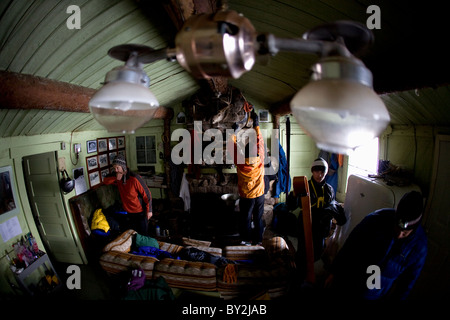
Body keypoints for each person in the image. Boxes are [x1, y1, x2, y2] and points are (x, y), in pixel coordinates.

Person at [326, 191, 428, 300]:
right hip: (351, 279)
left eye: (405, 233)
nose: (399, 235)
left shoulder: (419, 246)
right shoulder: (376, 219)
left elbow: (407, 282)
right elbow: (351, 245)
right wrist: (334, 272)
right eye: (397, 228)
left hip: (375, 293)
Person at [300, 158, 347, 261]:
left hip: (322, 226)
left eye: (322, 172)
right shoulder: (305, 186)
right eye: (317, 171)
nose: (319, 175)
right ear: (312, 171)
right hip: (307, 224)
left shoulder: (329, 189)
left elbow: (332, 205)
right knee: (303, 252)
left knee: (317, 252)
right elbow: (294, 205)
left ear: (326, 173)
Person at [231, 109, 265, 245]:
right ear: (256, 151)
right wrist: (256, 124)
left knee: (245, 218)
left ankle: (246, 240)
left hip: (246, 196)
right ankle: (259, 240)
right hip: (260, 194)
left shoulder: (240, 161)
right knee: (258, 217)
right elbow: (260, 141)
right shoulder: (260, 157)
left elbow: (231, 145)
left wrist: (234, 131)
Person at [103, 154, 153, 235]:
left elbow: (147, 194)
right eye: (114, 168)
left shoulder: (135, 178)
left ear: (123, 167)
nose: (116, 170)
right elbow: (105, 181)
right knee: (132, 236)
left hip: (140, 212)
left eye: (117, 168)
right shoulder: (117, 176)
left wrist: (149, 211)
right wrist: (116, 177)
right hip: (128, 212)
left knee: (143, 236)